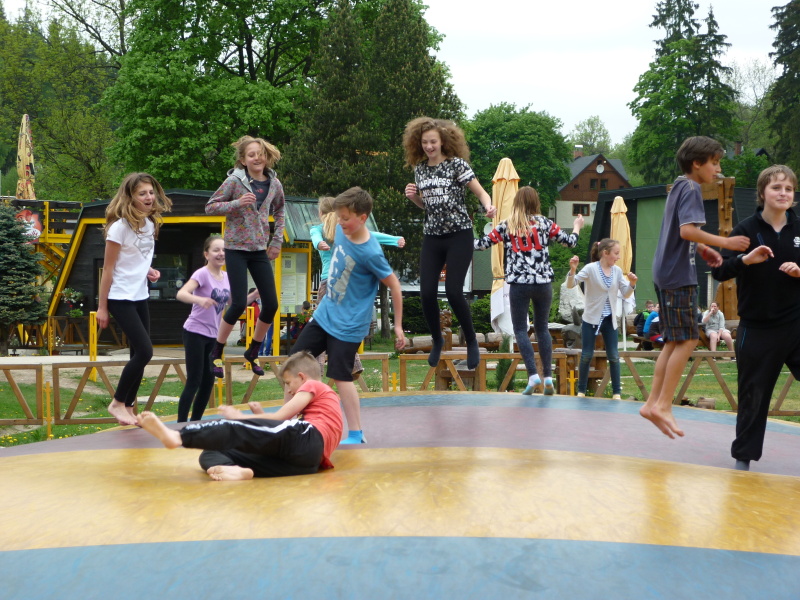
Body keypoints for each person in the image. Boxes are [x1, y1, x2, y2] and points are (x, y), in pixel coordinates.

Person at [640, 136, 750, 439]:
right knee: (688, 339)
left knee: (674, 341)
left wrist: (703, 249)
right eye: (715, 163)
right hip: (678, 276)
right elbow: (687, 230)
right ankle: (663, 404)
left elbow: (682, 232)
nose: (719, 169)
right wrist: (726, 242)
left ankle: (652, 403)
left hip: (665, 272)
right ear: (697, 163)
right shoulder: (691, 188)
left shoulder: (678, 185)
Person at [292, 187, 406, 445]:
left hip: (349, 324)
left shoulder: (371, 252)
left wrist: (398, 326)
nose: (340, 223)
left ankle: (355, 432)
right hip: (325, 314)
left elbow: (395, 285)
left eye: (345, 218)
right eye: (338, 217)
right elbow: (319, 233)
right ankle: (293, 421)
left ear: (362, 218)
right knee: (296, 363)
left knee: (341, 374)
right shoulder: (342, 231)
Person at [711, 165, 800, 471]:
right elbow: (719, 270)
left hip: (796, 324)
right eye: (776, 187)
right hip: (758, 328)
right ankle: (743, 459)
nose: (783, 193)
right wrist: (745, 260)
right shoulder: (745, 230)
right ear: (762, 193)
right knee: (754, 395)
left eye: (788, 188)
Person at [136, 351, 344, 481]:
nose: (289, 390)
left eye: (289, 383)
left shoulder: (313, 385)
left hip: (308, 442)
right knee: (210, 453)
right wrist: (260, 416)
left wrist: (239, 418)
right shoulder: (318, 410)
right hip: (306, 463)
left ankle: (178, 437)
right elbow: (283, 430)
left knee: (233, 428)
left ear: (302, 377)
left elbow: (282, 418)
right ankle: (238, 471)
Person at [403, 117, 497, 370]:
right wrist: (414, 198)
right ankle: (437, 339)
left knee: (454, 291)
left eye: (433, 142)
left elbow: (481, 192)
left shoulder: (457, 165)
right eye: (425, 142)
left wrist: (488, 206)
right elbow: (428, 206)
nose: (429, 146)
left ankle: (471, 341)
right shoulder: (420, 169)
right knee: (426, 293)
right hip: (432, 236)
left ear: (442, 141)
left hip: (459, 235)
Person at [474, 186, 583, 395]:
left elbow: (481, 245)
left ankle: (533, 375)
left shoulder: (507, 225)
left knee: (520, 330)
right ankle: (548, 376)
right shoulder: (545, 223)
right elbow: (570, 243)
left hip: (519, 284)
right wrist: (577, 226)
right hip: (543, 283)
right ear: (536, 202)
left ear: (516, 202)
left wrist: (460, 237)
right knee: (542, 329)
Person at [205, 136, 285, 378]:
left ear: (266, 157)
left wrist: (277, 241)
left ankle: (253, 351)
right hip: (236, 248)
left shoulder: (274, 184)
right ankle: (216, 351)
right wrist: (237, 203)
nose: (257, 158)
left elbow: (280, 210)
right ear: (243, 160)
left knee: (271, 304)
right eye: (251, 155)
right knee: (239, 303)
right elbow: (210, 207)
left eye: (260, 154)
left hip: (259, 249)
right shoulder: (234, 182)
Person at [96, 173, 172, 426]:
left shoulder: (149, 224)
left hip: (140, 295)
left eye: (151, 192)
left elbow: (135, 258)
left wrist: (148, 270)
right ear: (130, 198)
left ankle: (128, 407)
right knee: (146, 351)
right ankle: (117, 402)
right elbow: (109, 269)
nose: (149, 197)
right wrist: (102, 307)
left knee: (137, 353)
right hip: (120, 297)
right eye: (142, 194)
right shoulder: (119, 228)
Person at [310, 195, 405, 375]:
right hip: (347, 284)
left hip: (328, 282)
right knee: (343, 325)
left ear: (320, 213)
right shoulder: (346, 231)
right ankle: (353, 365)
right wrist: (394, 239)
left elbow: (315, 237)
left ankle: (316, 369)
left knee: (321, 326)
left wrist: (319, 244)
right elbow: (371, 235)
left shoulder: (318, 229)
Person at [174, 235, 257, 422]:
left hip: (213, 336)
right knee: (194, 380)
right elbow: (181, 293)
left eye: (224, 250)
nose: (221, 254)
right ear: (206, 254)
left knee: (208, 381)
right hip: (194, 332)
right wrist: (199, 299)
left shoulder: (227, 277)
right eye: (216, 250)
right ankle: (181, 425)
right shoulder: (202, 274)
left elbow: (234, 303)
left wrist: (254, 295)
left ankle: (196, 422)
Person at [567, 239, 637, 400]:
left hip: (609, 319)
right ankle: (581, 391)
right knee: (586, 355)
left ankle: (617, 392)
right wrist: (572, 270)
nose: (618, 257)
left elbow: (626, 293)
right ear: (605, 253)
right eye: (616, 253)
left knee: (614, 356)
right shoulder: (591, 268)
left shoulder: (617, 271)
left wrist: (632, 284)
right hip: (591, 318)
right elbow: (571, 284)